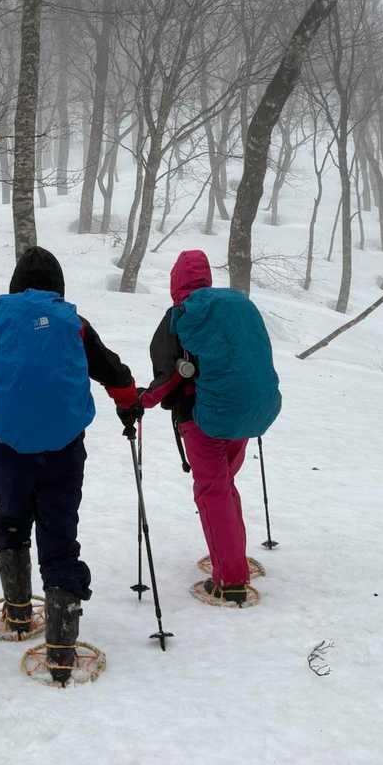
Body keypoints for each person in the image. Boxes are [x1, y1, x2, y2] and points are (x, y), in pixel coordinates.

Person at [0, 246, 141, 682]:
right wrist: (129, 406)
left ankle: (17, 613)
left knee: (11, 519)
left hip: (7, 448)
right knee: (59, 535)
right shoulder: (74, 324)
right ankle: (62, 651)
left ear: (16, 286)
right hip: (64, 450)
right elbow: (114, 372)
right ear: (58, 286)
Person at [141, 249, 280, 607]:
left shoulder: (180, 315)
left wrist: (143, 400)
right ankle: (232, 556)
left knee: (212, 491)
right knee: (224, 485)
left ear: (175, 281)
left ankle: (230, 581)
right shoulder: (238, 305)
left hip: (205, 417)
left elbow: (170, 375)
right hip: (249, 414)